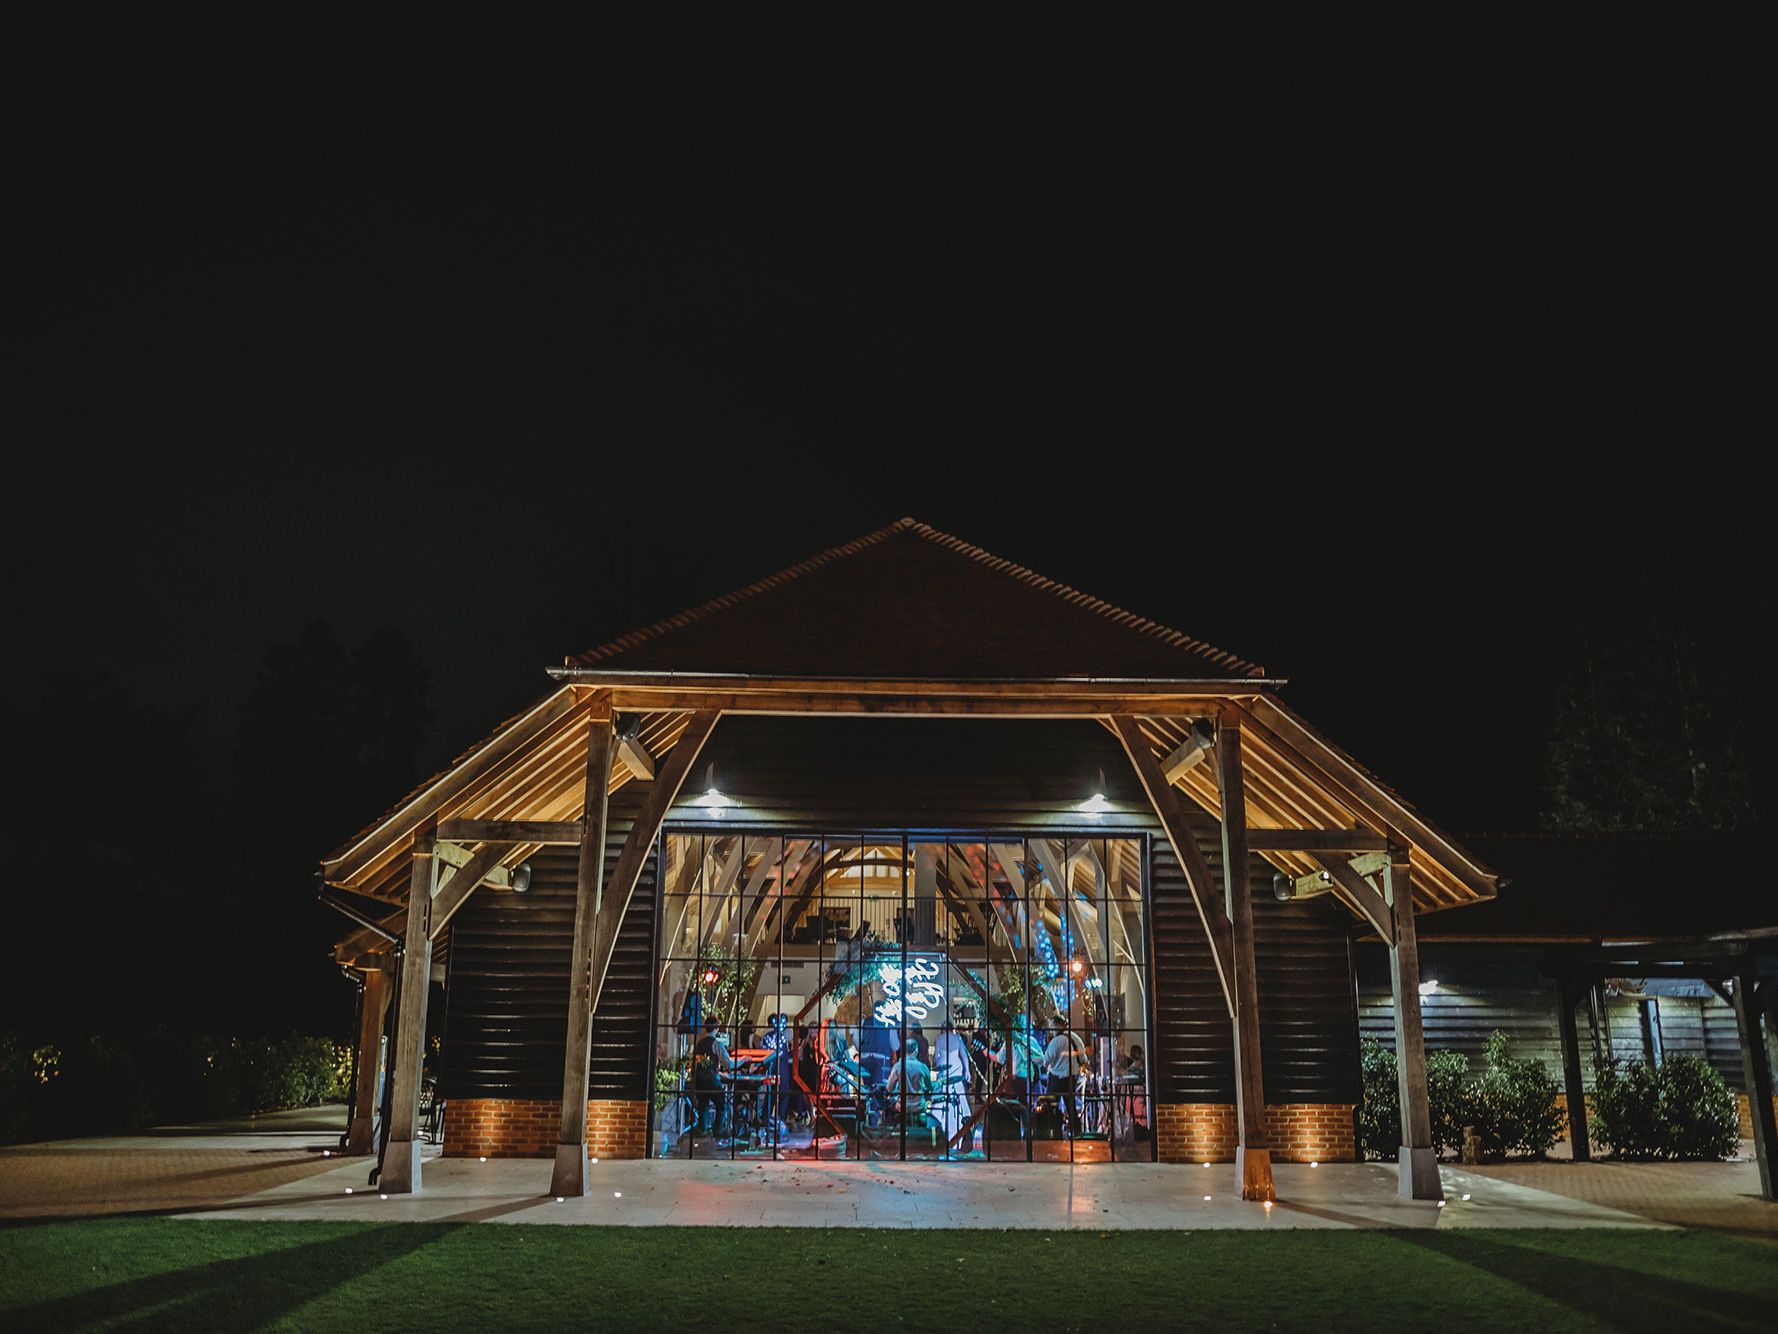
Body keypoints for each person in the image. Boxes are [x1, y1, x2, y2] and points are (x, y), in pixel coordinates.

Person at [930, 1021, 975, 1148]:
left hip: (944, 1065)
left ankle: (943, 1114)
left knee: (943, 1089)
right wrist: (967, 1070)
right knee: (958, 1089)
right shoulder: (957, 1038)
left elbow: (936, 1057)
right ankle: (959, 1113)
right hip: (956, 1065)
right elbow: (964, 1056)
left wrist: (936, 1063)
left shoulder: (939, 1038)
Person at [1041, 1016, 1086, 1137]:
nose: (1050, 1029)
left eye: (1051, 1026)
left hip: (1056, 1077)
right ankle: (1077, 1132)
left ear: (1056, 1026)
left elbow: (1046, 1061)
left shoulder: (1056, 1041)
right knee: (1071, 1107)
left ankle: (1054, 1132)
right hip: (1072, 1077)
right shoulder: (1075, 1037)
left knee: (1051, 1106)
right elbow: (1083, 1059)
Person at [690, 1017, 732, 1141]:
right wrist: (744, 1060)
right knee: (722, 1104)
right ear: (717, 1028)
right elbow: (729, 1063)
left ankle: (703, 1129)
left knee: (703, 1105)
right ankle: (718, 1130)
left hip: (699, 1080)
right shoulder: (716, 1043)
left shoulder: (699, 1043)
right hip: (711, 1079)